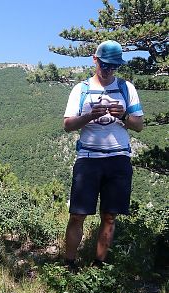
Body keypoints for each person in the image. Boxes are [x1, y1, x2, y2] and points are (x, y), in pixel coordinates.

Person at [63, 40, 144, 271]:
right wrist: (89, 116)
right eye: (105, 65)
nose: (108, 71)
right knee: (78, 215)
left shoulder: (127, 88)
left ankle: (99, 266)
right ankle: (69, 264)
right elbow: (67, 125)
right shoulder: (81, 89)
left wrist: (124, 115)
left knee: (109, 216)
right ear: (94, 59)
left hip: (118, 159)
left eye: (113, 67)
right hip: (88, 159)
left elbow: (138, 125)